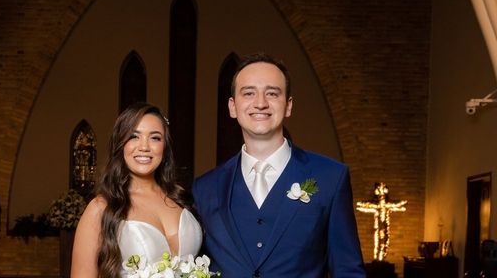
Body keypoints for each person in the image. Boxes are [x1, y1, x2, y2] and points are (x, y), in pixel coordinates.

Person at [192, 52, 366, 278]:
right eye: (249, 93)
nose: (261, 103)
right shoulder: (204, 188)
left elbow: (348, 271)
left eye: (272, 93)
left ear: (288, 106)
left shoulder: (331, 177)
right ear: (232, 107)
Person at [71, 102, 202, 278]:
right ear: (121, 144)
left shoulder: (182, 200)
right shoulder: (101, 209)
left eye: (155, 138)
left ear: (165, 146)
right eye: (134, 136)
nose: (144, 147)